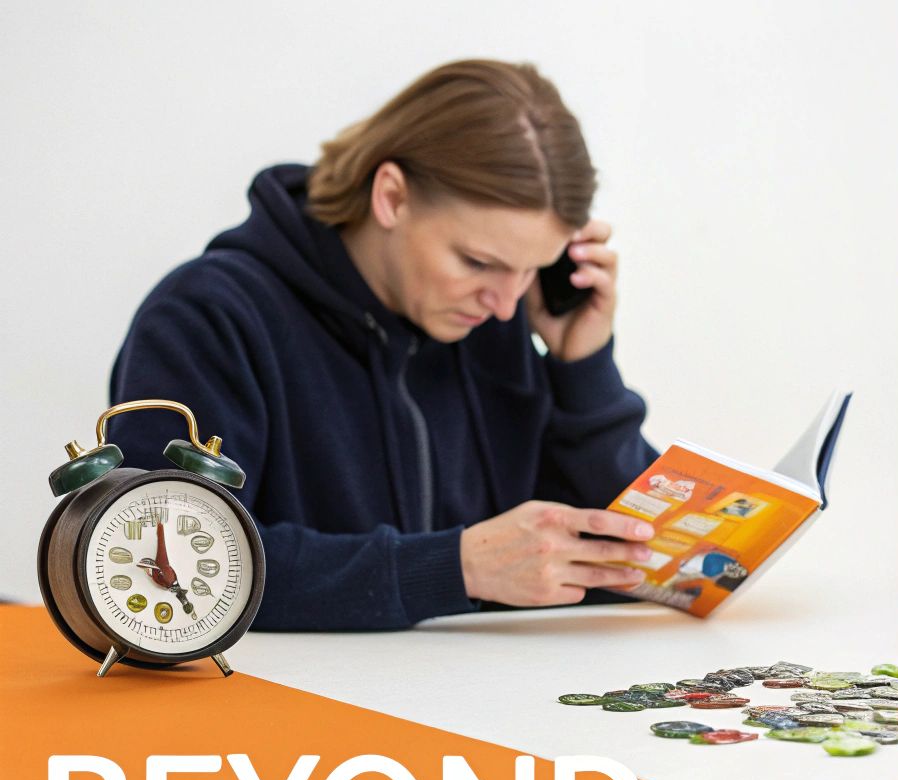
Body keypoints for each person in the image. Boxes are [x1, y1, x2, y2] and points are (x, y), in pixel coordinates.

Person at [109, 60, 660, 631]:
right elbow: (164, 570)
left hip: (483, 705)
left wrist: (583, 366)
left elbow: (637, 554)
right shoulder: (208, 316)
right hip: (286, 708)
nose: (504, 303)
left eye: (531, 270)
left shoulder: (495, 319)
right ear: (392, 197)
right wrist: (452, 568)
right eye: (479, 262)